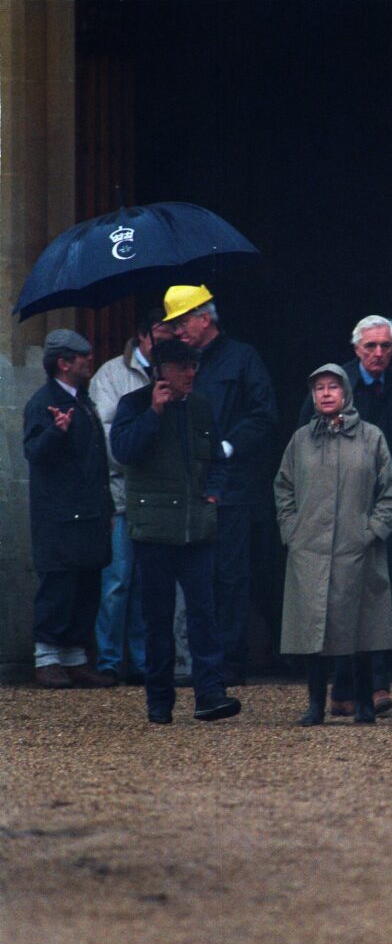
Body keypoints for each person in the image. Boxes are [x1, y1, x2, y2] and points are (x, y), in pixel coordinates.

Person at [297, 315, 392, 715]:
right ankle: (342, 691)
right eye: (371, 346)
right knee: (339, 601)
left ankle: (377, 684)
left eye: (386, 346)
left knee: (380, 599)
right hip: (336, 512)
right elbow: (303, 446)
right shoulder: (333, 385)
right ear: (356, 348)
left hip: (387, 514)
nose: (379, 353)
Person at [110, 338, 241, 725]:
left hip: (196, 528)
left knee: (204, 614)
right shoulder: (132, 405)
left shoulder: (201, 407)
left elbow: (218, 458)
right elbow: (124, 452)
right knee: (157, 620)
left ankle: (210, 695)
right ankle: (159, 702)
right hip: (152, 532)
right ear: (160, 371)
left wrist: (214, 493)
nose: (191, 374)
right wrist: (153, 412)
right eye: (182, 367)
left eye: (194, 366)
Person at [162, 284, 277, 684]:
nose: (177, 331)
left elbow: (264, 415)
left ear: (204, 318)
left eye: (180, 322)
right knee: (195, 576)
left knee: (230, 576)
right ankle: (198, 659)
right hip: (188, 487)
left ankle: (230, 661)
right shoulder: (177, 363)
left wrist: (230, 445)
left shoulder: (243, 358)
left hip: (233, 487)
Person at [275, 364, 392, 726]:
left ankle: (364, 702)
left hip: (357, 548)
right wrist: (291, 529)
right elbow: (283, 486)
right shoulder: (301, 440)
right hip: (310, 549)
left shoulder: (371, 437)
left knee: (359, 629)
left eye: (333, 387)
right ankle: (315, 705)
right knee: (313, 629)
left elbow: (390, 492)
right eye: (319, 389)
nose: (326, 393)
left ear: (346, 392)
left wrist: (372, 530)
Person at [23, 329, 116, 689]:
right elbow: (34, 453)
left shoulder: (83, 401)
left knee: (86, 583)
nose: (89, 361)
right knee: (59, 586)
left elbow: (95, 465)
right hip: (59, 518)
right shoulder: (43, 402)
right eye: (82, 357)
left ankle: (76, 658)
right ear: (63, 363)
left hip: (88, 514)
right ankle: (47, 658)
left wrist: (106, 508)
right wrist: (55, 432)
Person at [88, 308, 174, 684]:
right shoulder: (110, 375)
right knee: (117, 582)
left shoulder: (170, 374)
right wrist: (136, 452)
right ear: (144, 335)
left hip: (156, 496)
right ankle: (108, 660)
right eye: (163, 330)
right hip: (123, 493)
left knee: (146, 584)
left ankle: (141, 662)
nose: (169, 336)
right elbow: (104, 434)